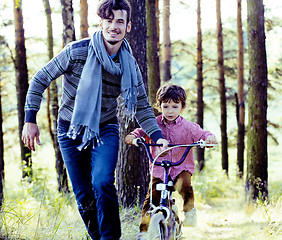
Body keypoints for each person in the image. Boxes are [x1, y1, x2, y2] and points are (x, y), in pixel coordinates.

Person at [21, 0, 168, 239]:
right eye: (109, 20)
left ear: (128, 26)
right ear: (101, 23)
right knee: (84, 195)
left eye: (120, 21)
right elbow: (40, 79)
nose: (114, 26)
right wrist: (30, 119)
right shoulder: (76, 52)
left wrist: (158, 136)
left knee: (102, 182)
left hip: (106, 129)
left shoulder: (128, 65)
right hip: (70, 130)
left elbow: (141, 105)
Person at [125, 84, 217, 239]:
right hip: (160, 170)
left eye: (175, 106)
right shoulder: (154, 124)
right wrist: (133, 137)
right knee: (151, 199)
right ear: (159, 106)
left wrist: (209, 138)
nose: (170, 111)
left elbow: (202, 133)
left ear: (182, 107)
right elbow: (140, 131)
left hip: (180, 168)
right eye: (165, 106)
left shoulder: (188, 127)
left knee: (185, 185)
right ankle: (144, 231)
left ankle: (189, 212)